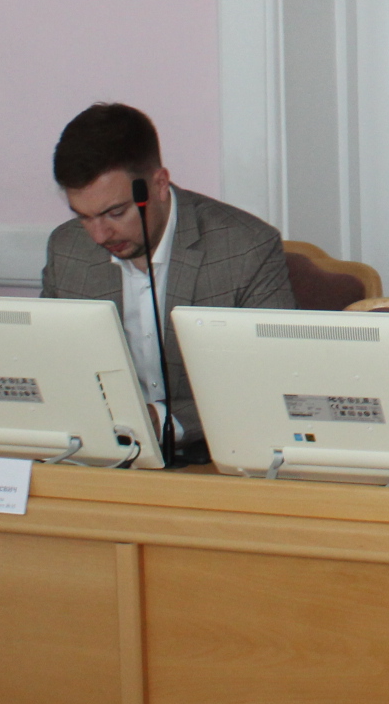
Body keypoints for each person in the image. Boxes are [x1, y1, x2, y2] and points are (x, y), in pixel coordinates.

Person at [40, 103, 293, 459]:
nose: (98, 235)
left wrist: (162, 420)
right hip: (100, 455)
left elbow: (271, 380)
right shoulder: (67, 250)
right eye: (83, 217)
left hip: (215, 456)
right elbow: (52, 367)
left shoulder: (244, 248)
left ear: (158, 184)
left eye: (116, 213)